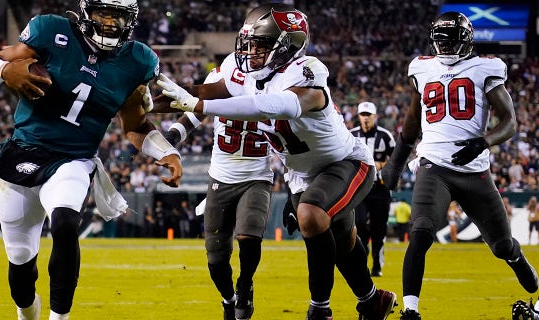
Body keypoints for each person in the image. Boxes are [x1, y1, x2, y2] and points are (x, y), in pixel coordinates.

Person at [154, 4, 396, 319]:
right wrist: (146, 101)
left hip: (345, 163)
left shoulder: (307, 69)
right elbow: (204, 91)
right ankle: (372, 300)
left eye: (262, 45)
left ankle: (319, 309)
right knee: (343, 239)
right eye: (250, 44)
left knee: (311, 216)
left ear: (288, 46)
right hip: (301, 175)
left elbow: (282, 105)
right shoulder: (241, 72)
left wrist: (200, 103)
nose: (251, 52)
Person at [0, 1, 183, 319]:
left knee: (66, 222)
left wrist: (165, 151)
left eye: (119, 17)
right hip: (24, 151)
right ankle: (27, 311)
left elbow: (136, 126)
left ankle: (60, 317)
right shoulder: (51, 31)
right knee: (19, 262)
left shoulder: (136, 60)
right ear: (87, 11)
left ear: (131, 20)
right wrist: (1, 70)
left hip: (73, 159)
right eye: (105, 14)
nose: (111, 23)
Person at [379, 12, 538, 319]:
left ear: (466, 41)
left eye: (451, 41)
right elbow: (411, 125)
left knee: (502, 245)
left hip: (475, 170)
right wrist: (395, 165)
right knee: (421, 232)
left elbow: (509, 122)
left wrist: (485, 141)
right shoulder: (422, 68)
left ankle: (517, 258)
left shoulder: (485, 67)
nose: (446, 48)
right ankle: (410, 310)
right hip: (433, 165)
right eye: (441, 41)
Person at [156, 70, 274, 320]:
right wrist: (174, 135)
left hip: (257, 175)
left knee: (249, 236)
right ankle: (228, 299)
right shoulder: (225, 77)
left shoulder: (280, 81)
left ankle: (245, 285)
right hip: (221, 176)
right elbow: (197, 111)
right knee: (216, 257)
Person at [350, 101, 396, 276]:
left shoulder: (385, 136)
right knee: (359, 224)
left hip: (380, 188)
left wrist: (382, 164)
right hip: (359, 188)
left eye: (369, 115)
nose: (366, 118)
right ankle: (364, 255)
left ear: (375, 116)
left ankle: (377, 262)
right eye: (363, 114)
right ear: (358, 116)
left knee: (379, 228)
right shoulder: (351, 135)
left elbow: (397, 159)